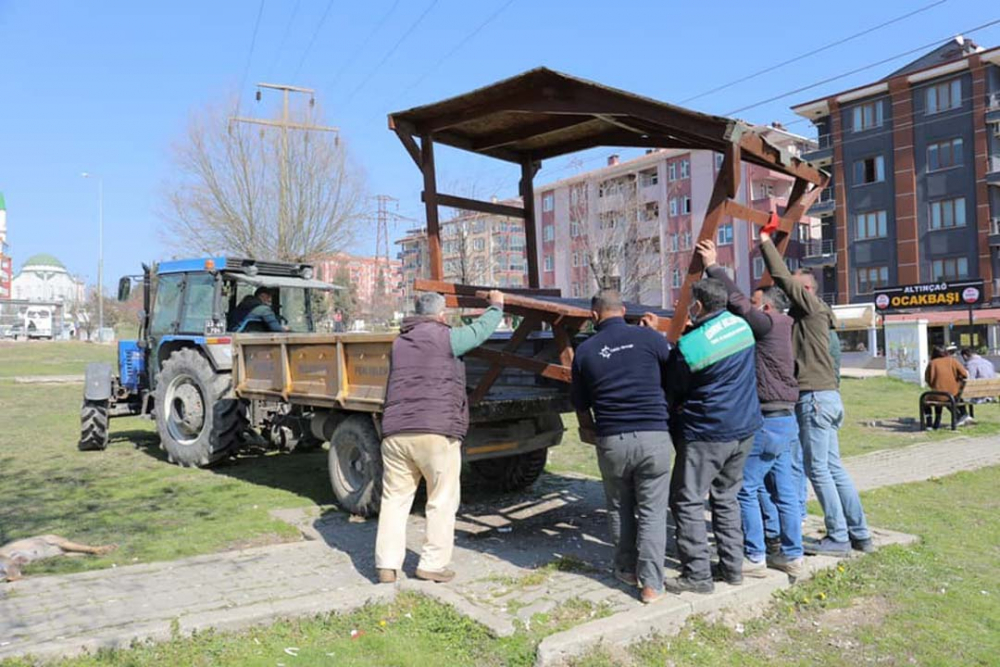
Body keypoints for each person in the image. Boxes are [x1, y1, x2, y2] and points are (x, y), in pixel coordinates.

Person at [375, 290, 504, 584]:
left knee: (394, 499)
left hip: (395, 434)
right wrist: (496, 306)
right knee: (441, 500)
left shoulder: (398, 343)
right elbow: (480, 331)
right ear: (441, 315)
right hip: (436, 432)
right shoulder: (446, 338)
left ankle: (387, 565)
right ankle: (431, 565)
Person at [759, 231, 872, 557]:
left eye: (790, 288)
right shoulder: (811, 317)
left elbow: (780, 275)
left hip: (815, 400)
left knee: (819, 469)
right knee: (833, 467)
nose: (784, 291)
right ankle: (859, 533)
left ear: (805, 290)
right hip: (828, 399)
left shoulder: (810, 308)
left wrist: (766, 241)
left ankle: (838, 537)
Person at [697, 241, 804, 582]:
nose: (753, 309)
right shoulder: (787, 326)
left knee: (745, 487)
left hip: (768, 418)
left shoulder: (768, 325)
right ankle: (792, 555)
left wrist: (714, 267)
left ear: (768, 308)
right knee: (784, 489)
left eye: (759, 305)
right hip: (787, 418)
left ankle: (755, 556)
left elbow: (740, 304)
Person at [571, 290, 674, 604]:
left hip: (613, 438)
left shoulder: (585, 351)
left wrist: (588, 429)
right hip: (654, 436)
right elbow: (674, 375)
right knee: (654, 513)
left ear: (593, 316)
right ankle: (652, 585)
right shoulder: (650, 339)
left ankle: (626, 570)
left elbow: (579, 403)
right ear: (624, 310)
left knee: (619, 506)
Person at [664, 277, 761, 595]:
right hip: (744, 428)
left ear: (699, 305)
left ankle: (698, 576)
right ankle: (732, 569)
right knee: (726, 497)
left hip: (707, 432)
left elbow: (674, 387)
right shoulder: (742, 327)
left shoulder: (691, 345)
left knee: (688, 499)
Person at [925, 345, 970, 429]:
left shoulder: (932, 363)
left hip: (938, 395)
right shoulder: (953, 361)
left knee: (926, 399)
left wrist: (935, 384)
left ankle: (930, 424)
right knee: (945, 397)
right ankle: (962, 415)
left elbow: (928, 380)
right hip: (954, 394)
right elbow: (964, 374)